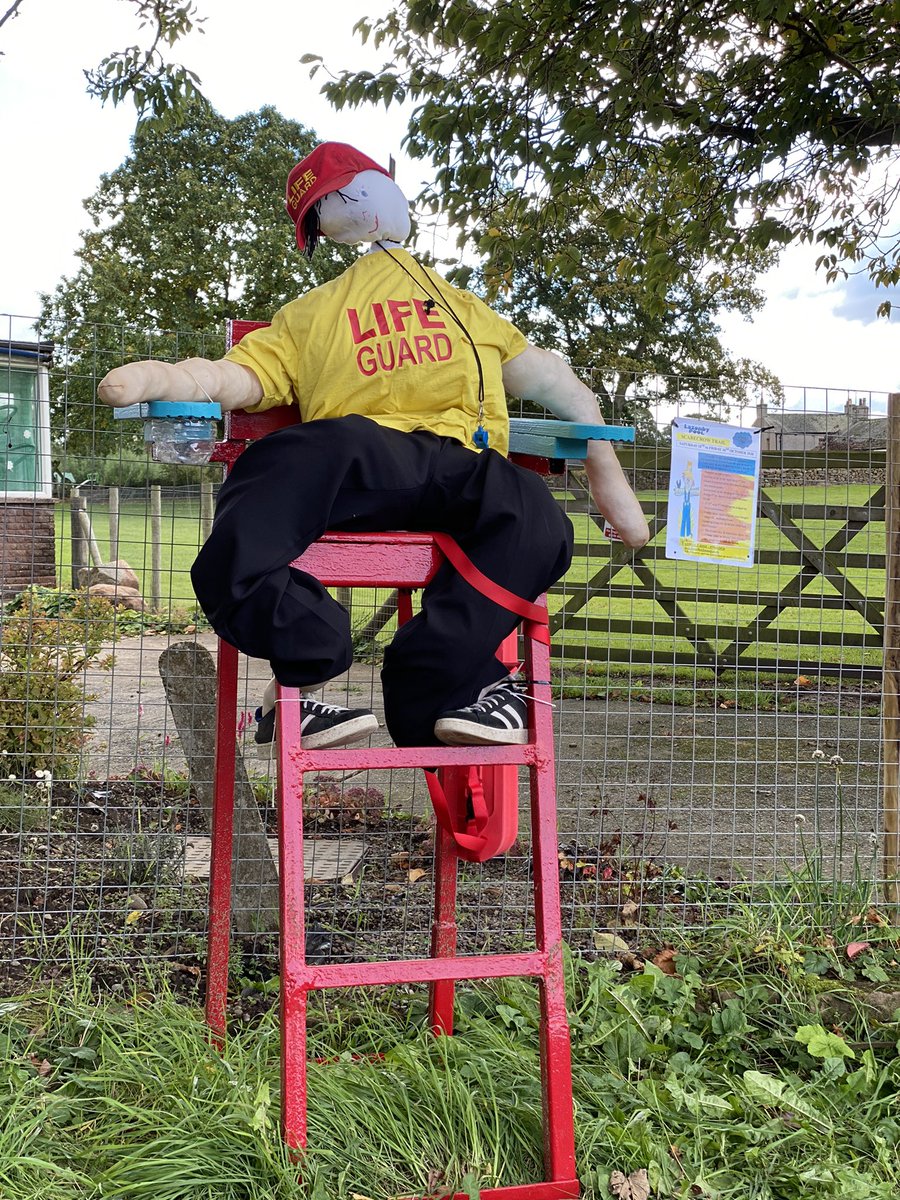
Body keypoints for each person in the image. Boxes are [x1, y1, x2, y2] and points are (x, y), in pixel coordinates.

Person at [98, 142, 650, 751]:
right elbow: (241, 378)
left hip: (463, 464)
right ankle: (306, 651)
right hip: (364, 461)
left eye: (325, 209)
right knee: (281, 459)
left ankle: (437, 685)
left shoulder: (467, 309)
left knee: (534, 512)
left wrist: (606, 470)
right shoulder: (310, 316)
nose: (332, 220)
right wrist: (178, 379)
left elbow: (554, 382)